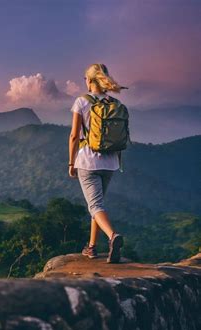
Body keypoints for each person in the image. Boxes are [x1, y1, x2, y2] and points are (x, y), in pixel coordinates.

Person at [68, 63, 127, 263]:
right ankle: (91, 247)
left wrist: (71, 163)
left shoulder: (81, 102)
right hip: (110, 162)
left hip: (88, 161)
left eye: (85, 78)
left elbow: (75, 136)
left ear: (90, 80)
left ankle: (112, 236)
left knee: (95, 206)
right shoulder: (114, 102)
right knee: (97, 205)